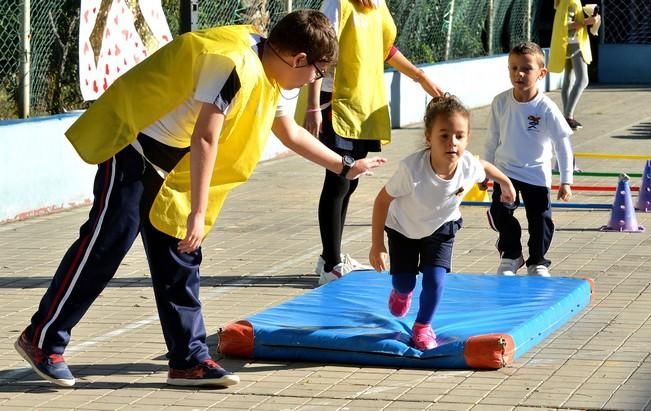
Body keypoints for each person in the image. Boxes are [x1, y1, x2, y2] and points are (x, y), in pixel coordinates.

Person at [14, 10, 387, 388]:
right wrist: (197, 211)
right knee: (104, 247)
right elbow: (206, 137)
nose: (315, 80)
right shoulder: (233, 63)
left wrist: (344, 165)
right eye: (318, 72)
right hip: (134, 152)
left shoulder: (270, 75)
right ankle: (42, 339)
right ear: (299, 59)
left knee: (181, 256)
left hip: (172, 169)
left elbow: (288, 132)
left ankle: (188, 360)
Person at [301, 0, 444, 285]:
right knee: (338, 180)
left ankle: (331, 255)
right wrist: (313, 105)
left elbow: (384, 50)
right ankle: (331, 264)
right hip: (336, 102)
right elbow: (320, 51)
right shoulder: (337, 4)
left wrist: (420, 76)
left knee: (349, 181)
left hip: (363, 104)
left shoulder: (377, 4)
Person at [369, 95, 516, 350]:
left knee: (435, 280)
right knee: (405, 282)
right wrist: (377, 245)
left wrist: (506, 182)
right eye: (444, 136)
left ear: (467, 138)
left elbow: (484, 166)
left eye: (459, 136)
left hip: (441, 228)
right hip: (403, 228)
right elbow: (381, 201)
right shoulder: (411, 170)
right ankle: (401, 292)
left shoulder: (467, 164)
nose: (452, 143)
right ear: (429, 138)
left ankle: (423, 326)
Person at [484, 41, 574, 278]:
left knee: (540, 221)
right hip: (506, 173)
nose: (519, 74)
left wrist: (566, 180)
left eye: (526, 69)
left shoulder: (546, 108)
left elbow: (562, 144)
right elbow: (492, 139)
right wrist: (485, 171)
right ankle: (511, 255)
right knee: (500, 214)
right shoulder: (500, 102)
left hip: (536, 174)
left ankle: (538, 262)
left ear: (541, 73)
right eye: (513, 68)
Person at [548, 0, 600, 130]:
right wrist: (587, 22)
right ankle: (568, 116)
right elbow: (567, 24)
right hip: (575, 44)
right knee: (583, 80)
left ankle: (566, 116)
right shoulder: (571, 1)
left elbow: (565, 20)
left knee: (568, 80)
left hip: (565, 43)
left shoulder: (563, 2)